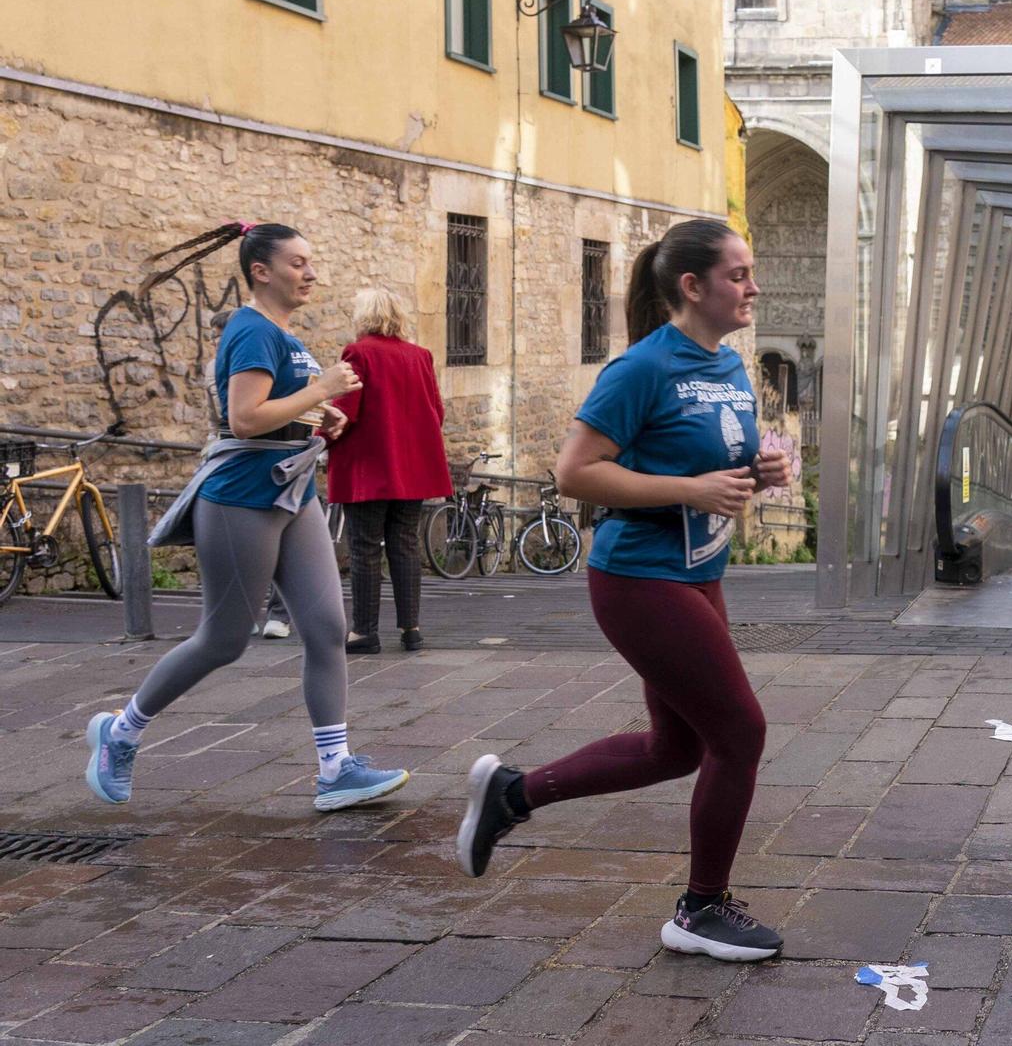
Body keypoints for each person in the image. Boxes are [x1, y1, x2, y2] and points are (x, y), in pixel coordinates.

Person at [455, 220, 793, 963]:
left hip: (698, 571)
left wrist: (758, 471)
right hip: (639, 576)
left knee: (676, 748)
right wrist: (691, 488)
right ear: (692, 287)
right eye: (738, 274)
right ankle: (701, 909)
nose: (753, 286)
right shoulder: (641, 368)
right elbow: (574, 472)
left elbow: (707, 461)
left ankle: (511, 795)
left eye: (750, 272)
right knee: (740, 732)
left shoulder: (730, 367)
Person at [86, 222, 410, 812]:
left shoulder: (284, 335)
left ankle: (335, 769)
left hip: (292, 493)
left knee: (327, 629)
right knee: (224, 639)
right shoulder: (252, 328)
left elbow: (278, 411)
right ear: (261, 271)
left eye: (311, 262)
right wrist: (321, 391)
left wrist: (320, 416)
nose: (311, 273)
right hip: (241, 498)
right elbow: (244, 418)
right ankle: (121, 730)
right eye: (297, 263)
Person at [324, 287, 452, 655]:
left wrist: (318, 437)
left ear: (364, 316)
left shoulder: (358, 352)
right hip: (412, 470)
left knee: (365, 547)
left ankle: (364, 631)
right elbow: (436, 412)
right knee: (405, 544)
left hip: (368, 469)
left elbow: (346, 411)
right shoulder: (420, 356)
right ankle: (411, 629)